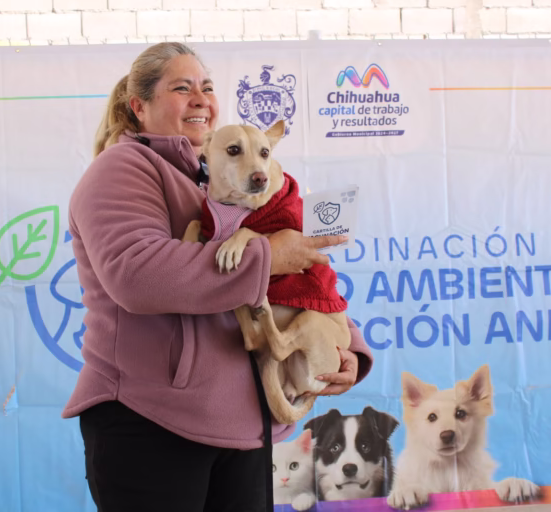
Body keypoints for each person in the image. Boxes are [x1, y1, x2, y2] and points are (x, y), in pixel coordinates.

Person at [61, 42, 374, 512]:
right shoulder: (122, 168)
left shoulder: (223, 173)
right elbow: (136, 276)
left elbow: (296, 273)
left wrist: (346, 345)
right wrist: (267, 256)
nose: (200, 99)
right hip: (151, 423)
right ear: (138, 106)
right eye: (181, 88)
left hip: (243, 423)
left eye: (207, 88)